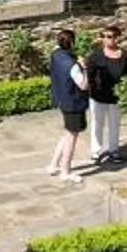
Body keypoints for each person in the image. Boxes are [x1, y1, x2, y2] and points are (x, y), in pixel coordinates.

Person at [45, 27, 89, 177]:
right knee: (72, 137)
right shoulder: (72, 66)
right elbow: (83, 85)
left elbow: (57, 47)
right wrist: (84, 68)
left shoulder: (56, 55)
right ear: (71, 44)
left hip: (62, 100)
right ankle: (65, 171)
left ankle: (53, 165)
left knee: (66, 133)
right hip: (74, 103)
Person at [85, 25, 127, 167]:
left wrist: (126, 90)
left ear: (117, 38)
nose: (106, 39)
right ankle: (96, 151)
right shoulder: (95, 55)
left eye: (109, 36)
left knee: (114, 125)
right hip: (98, 96)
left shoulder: (124, 55)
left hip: (116, 96)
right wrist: (92, 90)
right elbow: (89, 75)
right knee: (97, 124)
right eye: (103, 36)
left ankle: (114, 150)